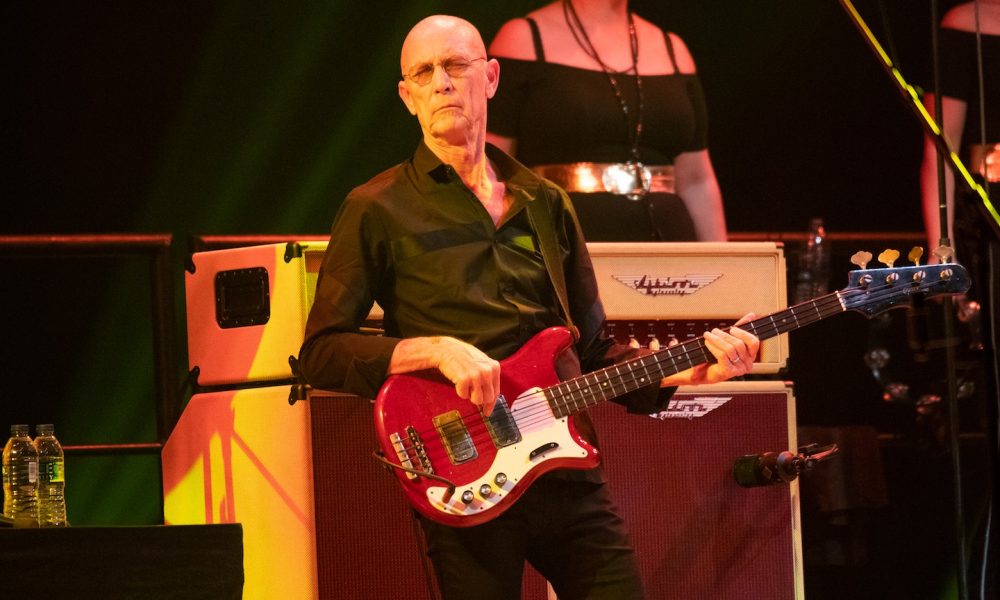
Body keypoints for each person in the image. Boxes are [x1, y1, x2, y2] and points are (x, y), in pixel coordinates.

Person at [298, 15, 758, 600]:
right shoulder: (377, 207)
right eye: (424, 72)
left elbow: (593, 350)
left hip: (566, 468)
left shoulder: (545, 202)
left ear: (490, 78)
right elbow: (321, 351)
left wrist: (702, 368)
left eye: (456, 65)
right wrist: (433, 350)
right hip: (464, 469)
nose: (442, 82)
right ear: (406, 96)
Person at [485, 0, 727, 242]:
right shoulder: (522, 39)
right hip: (566, 243)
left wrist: (726, 272)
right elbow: (487, 168)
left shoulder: (673, 50)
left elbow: (697, 182)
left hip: (667, 249)